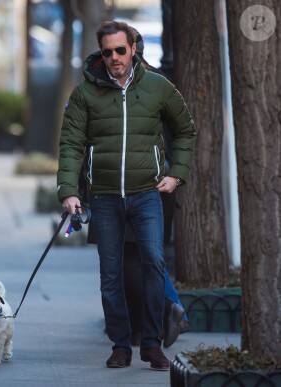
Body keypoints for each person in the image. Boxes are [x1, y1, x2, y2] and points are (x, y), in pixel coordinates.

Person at [57, 21, 196, 370]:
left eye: (120, 50)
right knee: (111, 274)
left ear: (133, 48)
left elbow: (186, 131)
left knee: (153, 263)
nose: (115, 57)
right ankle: (121, 345)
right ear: (100, 54)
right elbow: (71, 145)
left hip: (147, 195)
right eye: (107, 52)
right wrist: (69, 192)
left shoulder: (158, 87)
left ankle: (151, 344)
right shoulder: (85, 93)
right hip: (104, 198)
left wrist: (176, 174)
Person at [122, 27, 187, 349]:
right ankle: (163, 316)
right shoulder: (163, 84)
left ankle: (157, 319)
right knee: (150, 256)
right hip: (161, 186)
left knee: (134, 259)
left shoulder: (143, 88)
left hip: (140, 186)